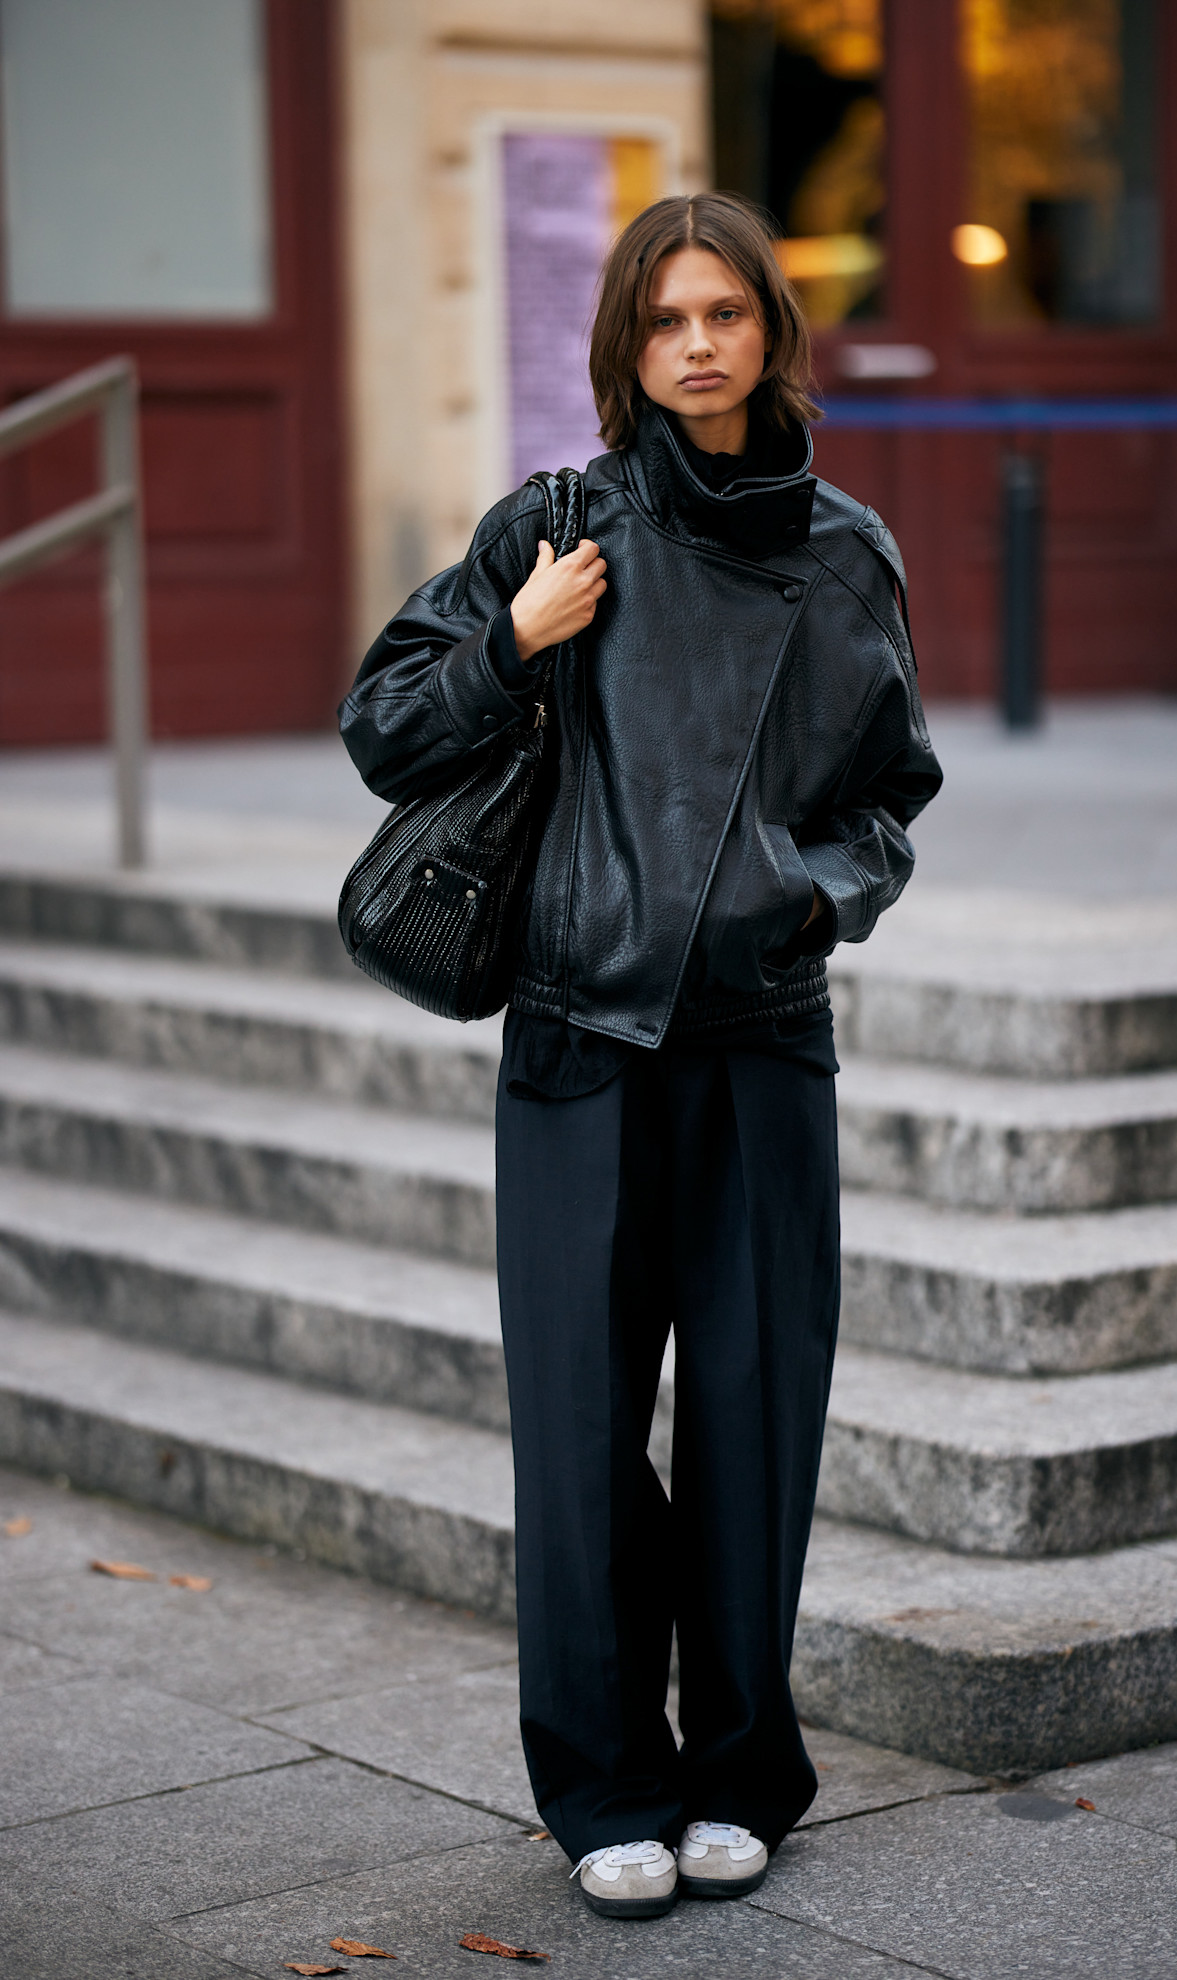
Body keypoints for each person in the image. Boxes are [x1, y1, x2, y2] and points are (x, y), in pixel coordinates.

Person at [340, 192, 942, 1920]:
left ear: (769, 332)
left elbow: (889, 795)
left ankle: (744, 1771)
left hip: (759, 1042)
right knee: (582, 1433)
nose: (696, 344)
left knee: (753, 1421)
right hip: (579, 1043)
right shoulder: (555, 524)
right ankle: (605, 1785)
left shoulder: (848, 552)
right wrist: (509, 641)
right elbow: (381, 726)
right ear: (626, 343)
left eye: (724, 314)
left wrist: (805, 897)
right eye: (666, 318)